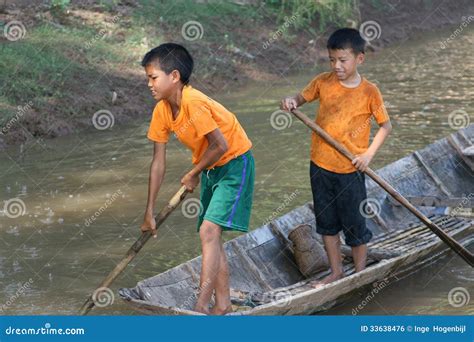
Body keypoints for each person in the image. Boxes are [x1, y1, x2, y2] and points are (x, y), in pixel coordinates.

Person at [140, 43, 255, 313]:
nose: (149, 84)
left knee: (208, 230)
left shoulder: (195, 102)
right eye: (148, 78)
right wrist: (149, 211)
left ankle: (201, 306)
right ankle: (223, 304)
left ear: (175, 76)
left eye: (153, 77)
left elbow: (221, 145)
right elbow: (158, 162)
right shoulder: (162, 110)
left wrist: (193, 173)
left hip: (235, 163)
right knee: (210, 236)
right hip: (211, 168)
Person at [280, 28, 392, 287]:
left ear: (359, 59)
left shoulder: (369, 92)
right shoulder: (323, 82)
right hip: (320, 165)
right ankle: (336, 271)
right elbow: (300, 97)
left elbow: (385, 126)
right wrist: (291, 101)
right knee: (326, 221)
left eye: (343, 60)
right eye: (332, 60)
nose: (337, 66)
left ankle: (360, 273)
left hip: (351, 168)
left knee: (354, 221)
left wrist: (367, 155)